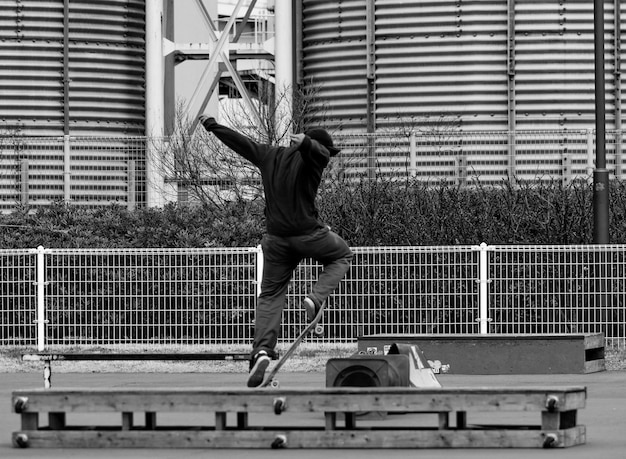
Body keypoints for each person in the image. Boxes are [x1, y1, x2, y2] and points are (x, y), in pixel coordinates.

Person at [199, 115, 353, 387]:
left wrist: (213, 125)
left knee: (270, 295)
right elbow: (318, 152)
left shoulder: (268, 155)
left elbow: (241, 142)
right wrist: (307, 143)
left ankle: (262, 350)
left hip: (277, 240)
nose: (328, 157)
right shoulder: (315, 157)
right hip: (308, 234)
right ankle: (316, 298)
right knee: (341, 255)